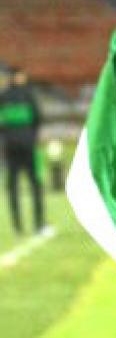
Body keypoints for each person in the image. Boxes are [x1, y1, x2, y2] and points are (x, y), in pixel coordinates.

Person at [1, 68, 45, 235]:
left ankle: (17, 227)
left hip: (10, 147)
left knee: (12, 186)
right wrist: (31, 137)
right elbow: (39, 118)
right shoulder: (29, 95)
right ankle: (39, 224)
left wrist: (7, 137)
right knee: (35, 184)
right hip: (29, 147)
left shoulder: (3, 96)